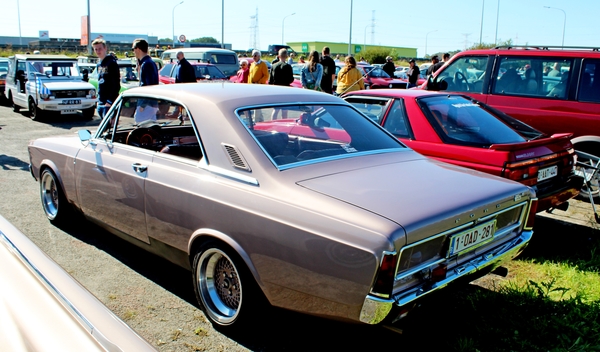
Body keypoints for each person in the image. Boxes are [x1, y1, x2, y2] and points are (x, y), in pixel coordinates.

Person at [92, 38, 120, 118]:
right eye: (96, 49)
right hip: (101, 101)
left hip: (109, 102)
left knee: (109, 126)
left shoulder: (112, 63)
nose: (98, 51)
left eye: (100, 49)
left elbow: (116, 84)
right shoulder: (99, 64)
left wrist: (110, 101)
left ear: (105, 48)